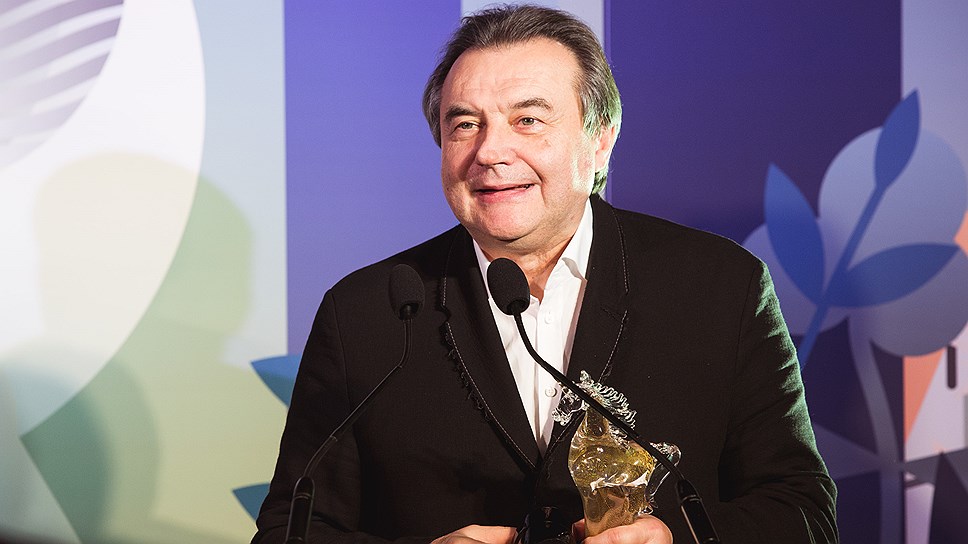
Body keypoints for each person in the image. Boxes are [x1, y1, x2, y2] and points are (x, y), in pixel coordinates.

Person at [253, 5, 838, 544]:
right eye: (465, 125)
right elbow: (290, 529)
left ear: (600, 139)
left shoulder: (720, 286)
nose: (490, 152)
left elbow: (802, 513)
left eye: (528, 120)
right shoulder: (367, 312)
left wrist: (674, 539)